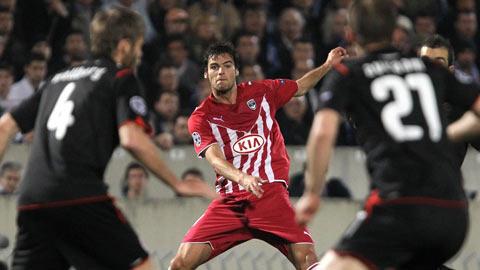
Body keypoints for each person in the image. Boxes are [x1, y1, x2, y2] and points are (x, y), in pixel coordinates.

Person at [0, 6, 216, 270]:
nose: (139, 54)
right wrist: (177, 184)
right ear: (124, 46)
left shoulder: (56, 79)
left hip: (32, 200)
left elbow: (5, 126)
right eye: (138, 46)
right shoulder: (121, 78)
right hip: (81, 197)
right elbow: (131, 138)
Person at [295, 0, 480, 269]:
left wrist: (311, 193)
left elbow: (323, 133)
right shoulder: (429, 71)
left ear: (350, 35)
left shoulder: (349, 73)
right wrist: (446, 133)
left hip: (398, 207)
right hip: (453, 214)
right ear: (396, 32)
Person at [169, 42, 347, 270]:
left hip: (270, 195)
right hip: (231, 203)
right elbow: (214, 159)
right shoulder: (201, 117)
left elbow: (301, 87)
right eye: (214, 67)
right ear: (206, 74)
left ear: (236, 70)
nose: (221, 71)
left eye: (227, 65)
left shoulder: (262, 92)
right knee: (180, 264)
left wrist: (328, 65)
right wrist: (242, 178)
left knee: (308, 260)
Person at [419, 34, 480, 170]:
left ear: (450, 71)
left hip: (446, 187)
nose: (430, 68)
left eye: (438, 63)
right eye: (425, 61)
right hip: (404, 186)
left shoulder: (461, 109)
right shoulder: (405, 101)